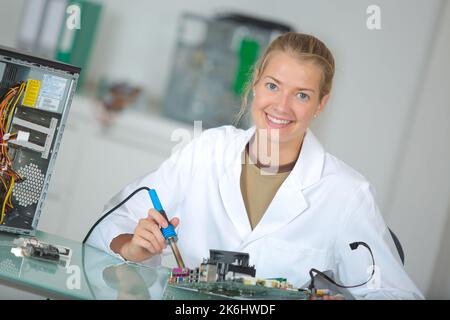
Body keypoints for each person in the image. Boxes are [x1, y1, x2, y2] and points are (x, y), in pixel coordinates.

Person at [86, 32, 423, 299]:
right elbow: (110, 223)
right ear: (256, 82)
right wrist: (131, 246)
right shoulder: (207, 151)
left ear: (321, 104)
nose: (282, 106)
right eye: (273, 86)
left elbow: (395, 293)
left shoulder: (345, 193)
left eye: (302, 95)